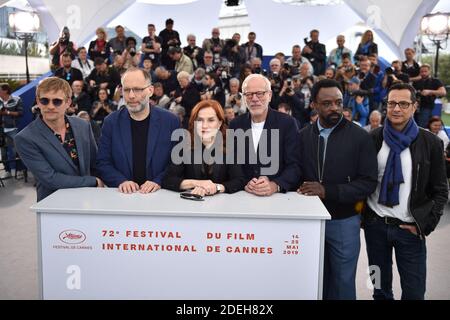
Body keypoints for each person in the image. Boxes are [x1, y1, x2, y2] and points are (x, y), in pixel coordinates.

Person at [362, 83, 448, 300]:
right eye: (391, 103)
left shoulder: (431, 143)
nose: (396, 109)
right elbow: (361, 181)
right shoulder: (373, 139)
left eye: (403, 103)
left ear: (414, 106)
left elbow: (440, 190)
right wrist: (364, 219)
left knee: (415, 292)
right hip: (376, 228)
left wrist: (425, 225)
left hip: (410, 231)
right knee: (378, 288)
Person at [297, 79, 378, 300]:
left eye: (338, 102)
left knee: (342, 283)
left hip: (344, 221)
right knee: (313, 280)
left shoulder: (360, 137)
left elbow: (368, 182)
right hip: (309, 222)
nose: (334, 108)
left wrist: (327, 191)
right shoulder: (303, 136)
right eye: (327, 103)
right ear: (314, 104)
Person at [14, 77, 103, 201]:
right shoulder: (25, 138)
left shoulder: (82, 125)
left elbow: (95, 162)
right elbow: (50, 178)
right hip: (53, 205)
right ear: (38, 102)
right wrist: (92, 181)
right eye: (44, 101)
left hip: (88, 200)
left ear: (68, 102)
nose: (50, 106)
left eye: (57, 101)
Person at [96, 68, 180, 193]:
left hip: (160, 196)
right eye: (126, 90)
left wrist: (159, 181)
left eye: (137, 89)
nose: (131, 96)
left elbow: (177, 162)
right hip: (124, 197)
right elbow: (103, 162)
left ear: (150, 91)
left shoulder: (171, 121)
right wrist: (121, 181)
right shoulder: (111, 122)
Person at [229, 74, 301, 196]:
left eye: (260, 93)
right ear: (244, 98)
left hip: (278, 199)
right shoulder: (235, 124)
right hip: (244, 197)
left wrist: (275, 185)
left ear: (270, 95)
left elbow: (295, 165)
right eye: (249, 94)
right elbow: (233, 165)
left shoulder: (287, 123)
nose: (255, 98)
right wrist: (245, 182)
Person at [162, 100, 246, 196]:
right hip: (190, 204)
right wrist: (197, 183)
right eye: (200, 120)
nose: (204, 125)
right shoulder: (183, 146)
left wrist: (216, 187)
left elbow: (239, 180)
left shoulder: (230, 146)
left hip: (222, 206)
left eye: (211, 120)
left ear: (219, 123)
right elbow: (168, 179)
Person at [0, 83, 23, 178]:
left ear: (5, 90)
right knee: (3, 152)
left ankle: (19, 170)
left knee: (16, 151)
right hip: (1, 129)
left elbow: (20, 113)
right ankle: (7, 171)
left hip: (12, 128)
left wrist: (7, 112)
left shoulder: (17, 99)